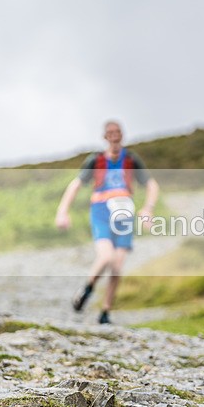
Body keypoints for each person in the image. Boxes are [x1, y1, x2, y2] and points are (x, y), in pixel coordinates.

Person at [55, 120, 159, 324]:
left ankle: (105, 312)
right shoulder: (95, 160)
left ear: (122, 134)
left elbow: (151, 184)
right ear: (105, 136)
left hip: (124, 214)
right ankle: (88, 288)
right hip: (101, 211)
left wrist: (148, 208)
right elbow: (75, 185)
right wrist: (63, 211)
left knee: (117, 267)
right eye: (110, 132)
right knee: (106, 257)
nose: (114, 135)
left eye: (117, 132)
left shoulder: (130, 159)